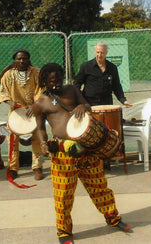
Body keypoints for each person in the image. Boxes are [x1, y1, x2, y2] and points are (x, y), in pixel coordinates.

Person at [33, 63, 131, 244]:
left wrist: (82, 107)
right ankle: (64, 231)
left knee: (99, 186)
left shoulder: (71, 90)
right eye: (52, 81)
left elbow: (87, 105)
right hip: (62, 152)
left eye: (59, 79)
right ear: (44, 81)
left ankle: (113, 218)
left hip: (86, 146)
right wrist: (43, 144)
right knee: (63, 194)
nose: (56, 83)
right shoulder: (40, 103)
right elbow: (39, 128)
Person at [0, 49, 45, 181]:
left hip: (33, 112)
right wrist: (10, 102)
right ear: (14, 60)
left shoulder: (36, 73)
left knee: (37, 139)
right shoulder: (8, 75)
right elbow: (3, 92)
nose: (22, 61)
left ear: (28, 59)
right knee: (12, 141)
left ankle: (37, 167)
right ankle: (13, 168)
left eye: (24, 58)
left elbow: (41, 90)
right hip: (15, 113)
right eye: (19, 59)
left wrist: (34, 105)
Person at [74, 41, 133, 108]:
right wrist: (80, 101)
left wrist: (123, 101)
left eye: (102, 53)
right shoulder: (86, 66)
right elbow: (77, 84)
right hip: (89, 104)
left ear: (106, 53)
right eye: (97, 52)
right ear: (94, 52)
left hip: (107, 104)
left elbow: (117, 86)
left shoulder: (112, 68)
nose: (99, 55)